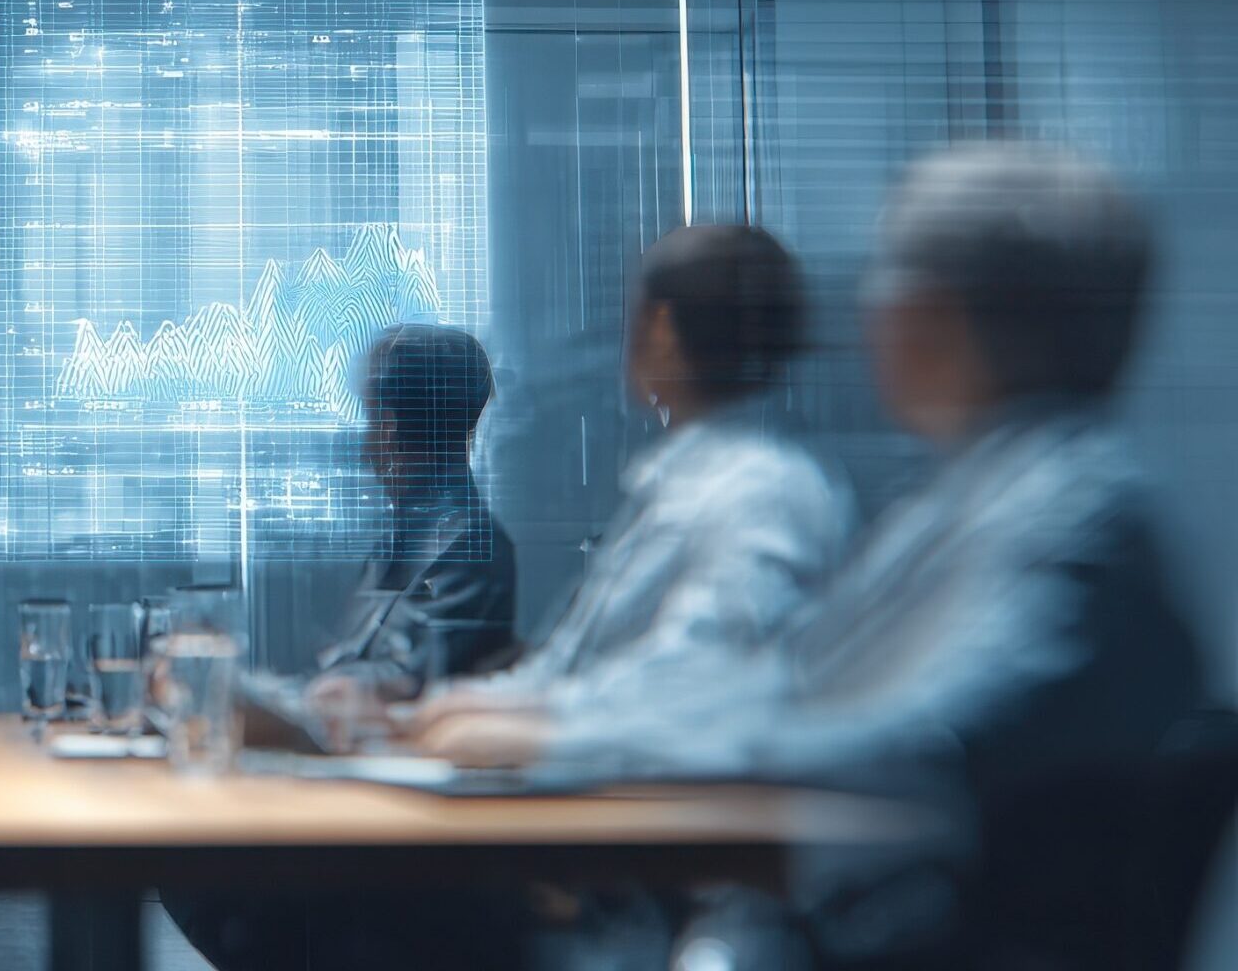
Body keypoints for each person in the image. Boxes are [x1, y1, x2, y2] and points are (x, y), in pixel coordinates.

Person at [415, 142, 1205, 962]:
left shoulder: (1072, 519)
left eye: (880, 280)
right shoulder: (978, 496)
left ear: (932, 313)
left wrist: (563, 743)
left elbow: (914, 743)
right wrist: (559, 726)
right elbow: (783, 681)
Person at [167, 322, 523, 971]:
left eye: (368, 417)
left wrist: (254, 699)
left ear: (386, 427)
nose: (361, 442)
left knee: (185, 852)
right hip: (351, 804)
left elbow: (381, 697)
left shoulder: (463, 544)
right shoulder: (417, 536)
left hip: (386, 841)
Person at [397, 224, 849, 733]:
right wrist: (451, 710)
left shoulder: (764, 490)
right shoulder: (683, 482)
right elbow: (566, 669)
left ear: (660, 328)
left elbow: (697, 679)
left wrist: (537, 729)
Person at [310, 322, 516, 697]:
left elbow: (402, 682)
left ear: (388, 429)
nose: (364, 450)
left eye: (371, 417)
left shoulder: (468, 550)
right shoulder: (404, 543)